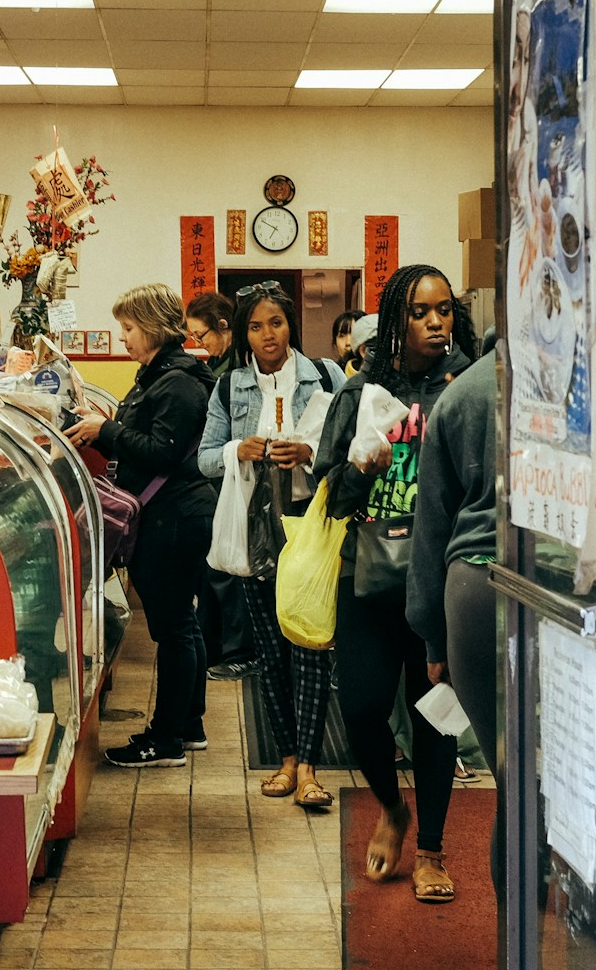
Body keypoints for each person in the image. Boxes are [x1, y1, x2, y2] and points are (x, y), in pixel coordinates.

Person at [314, 264, 477, 903]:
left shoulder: (468, 389)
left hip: (441, 579)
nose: (435, 322)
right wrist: (360, 468)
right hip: (370, 576)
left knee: (435, 717)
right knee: (359, 707)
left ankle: (432, 850)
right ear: (394, 321)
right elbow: (328, 496)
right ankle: (391, 805)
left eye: (444, 310)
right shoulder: (359, 393)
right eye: (419, 312)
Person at [197, 281, 343, 809]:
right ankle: (286, 758)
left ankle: (309, 766)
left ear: (291, 327)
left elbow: (345, 451)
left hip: (310, 529)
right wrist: (240, 447)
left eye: (275, 324)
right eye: (255, 326)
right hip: (256, 534)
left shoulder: (325, 375)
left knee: (311, 646)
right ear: (243, 333)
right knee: (271, 651)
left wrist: (307, 451)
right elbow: (205, 458)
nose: (267, 336)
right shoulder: (228, 386)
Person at [65, 282, 217, 767]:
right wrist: (105, 430)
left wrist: (106, 430)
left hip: (175, 516)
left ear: (152, 326)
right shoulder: (161, 374)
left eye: (129, 328)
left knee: (173, 630)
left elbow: (162, 452)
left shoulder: (177, 381)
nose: (124, 337)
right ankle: (188, 726)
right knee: (182, 625)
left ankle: (167, 738)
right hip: (174, 513)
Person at [406, 351, 509, 899]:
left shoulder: (461, 393)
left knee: (511, 777)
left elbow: (433, 522)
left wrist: (432, 635)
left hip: (471, 587)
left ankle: (514, 934)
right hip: (572, 582)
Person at [187, 291, 256, 681]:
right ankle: (218, 648)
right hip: (219, 475)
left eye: (202, 336)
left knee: (231, 571)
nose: (199, 345)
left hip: (238, 482)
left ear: (224, 328)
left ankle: (241, 652)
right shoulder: (218, 368)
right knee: (216, 568)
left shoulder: (237, 373)